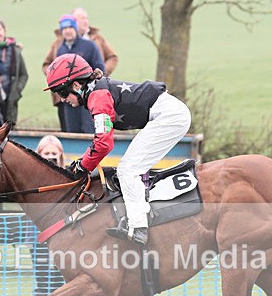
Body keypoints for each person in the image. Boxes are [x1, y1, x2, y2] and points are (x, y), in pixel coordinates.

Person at [44, 54, 191, 246]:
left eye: (62, 93)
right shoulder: (95, 92)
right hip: (166, 114)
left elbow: (104, 143)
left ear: (77, 85)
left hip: (170, 116)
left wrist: (82, 167)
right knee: (129, 167)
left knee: (128, 169)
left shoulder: (98, 97)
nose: (62, 100)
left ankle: (138, 227)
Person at [31, 135, 67, 296]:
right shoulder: (33, 179)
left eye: (54, 154)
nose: (51, 157)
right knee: (43, 285)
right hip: (40, 241)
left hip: (61, 240)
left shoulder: (66, 178)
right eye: (47, 153)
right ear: (40, 155)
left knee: (58, 288)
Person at [42, 14, 104, 134]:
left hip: (87, 97)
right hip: (68, 98)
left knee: (88, 130)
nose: (67, 31)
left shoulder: (89, 46)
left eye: (70, 28)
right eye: (64, 29)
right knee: (71, 131)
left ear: (75, 29)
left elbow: (100, 67)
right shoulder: (60, 49)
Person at [0, 19, 28, 126]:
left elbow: (24, 74)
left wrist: (17, 89)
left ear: (4, 31)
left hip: (9, 98)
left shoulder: (14, 51)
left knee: (7, 133)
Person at [71, 7, 118, 75]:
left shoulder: (98, 38)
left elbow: (113, 57)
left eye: (86, 18)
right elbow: (49, 62)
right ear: (73, 22)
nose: (86, 21)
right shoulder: (61, 41)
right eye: (82, 18)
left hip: (95, 83)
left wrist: (102, 73)